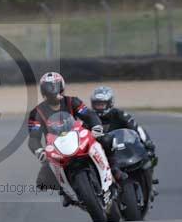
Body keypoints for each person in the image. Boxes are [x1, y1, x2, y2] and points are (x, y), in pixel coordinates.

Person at [27, 72, 123, 207]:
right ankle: (65, 191)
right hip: (55, 146)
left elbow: (89, 115)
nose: (52, 92)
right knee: (42, 180)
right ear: (43, 91)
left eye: (54, 87)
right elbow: (34, 137)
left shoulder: (73, 101)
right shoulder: (36, 113)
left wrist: (96, 126)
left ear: (61, 87)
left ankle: (114, 170)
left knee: (106, 140)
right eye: (48, 88)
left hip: (79, 136)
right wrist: (39, 151)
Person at [90, 86, 156, 154]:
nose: (99, 107)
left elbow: (136, 127)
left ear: (110, 103)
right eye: (96, 104)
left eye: (101, 104)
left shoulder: (119, 114)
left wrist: (147, 144)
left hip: (119, 151)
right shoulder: (89, 116)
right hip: (96, 151)